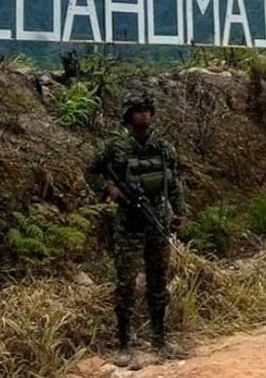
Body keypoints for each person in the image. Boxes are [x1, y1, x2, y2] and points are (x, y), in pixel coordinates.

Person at [87, 95, 188, 369]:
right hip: (129, 222)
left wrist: (179, 212)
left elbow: (174, 182)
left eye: (147, 111)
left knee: (158, 280)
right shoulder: (116, 147)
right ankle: (123, 343)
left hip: (157, 218)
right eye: (138, 112)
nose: (144, 116)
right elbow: (92, 170)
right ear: (128, 116)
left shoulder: (164, 148)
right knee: (126, 282)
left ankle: (160, 338)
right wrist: (109, 189)